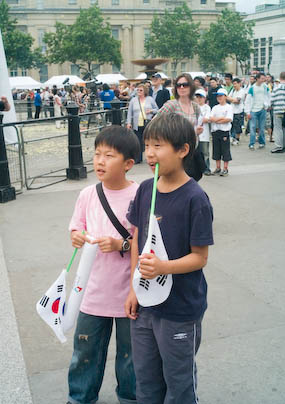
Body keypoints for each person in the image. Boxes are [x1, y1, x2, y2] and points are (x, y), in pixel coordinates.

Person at [125, 112, 213, 404]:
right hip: (146, 304)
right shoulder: (146, 188)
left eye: (158, 146)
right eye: (147, 145)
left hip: (179, 309)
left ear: (183, 150)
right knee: (146, 378)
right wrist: (133, 288)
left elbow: (200, 258)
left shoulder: (195, 199)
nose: (149, 153)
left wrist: (164, 267)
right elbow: (138, 236)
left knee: (179, 382)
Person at [67, 126, 139, 404]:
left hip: (128, 294)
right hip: (91, 291)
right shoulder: (88, 194)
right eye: (97, 154)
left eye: (109, 155)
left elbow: (148, 245)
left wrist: (120, 244)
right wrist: (78, 237)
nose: (100, 161)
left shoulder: (140, 195)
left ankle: (131, 398)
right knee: (85, 352)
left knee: (130, 356)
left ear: (128, 164)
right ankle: (80, 398)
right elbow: (76, 230)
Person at [126, 83, 158, 164]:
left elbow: (157, 109)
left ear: (145, 91)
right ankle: (138, 158)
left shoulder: (150, 99)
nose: (139, 92)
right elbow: (130, 112)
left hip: (147, 123)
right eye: (138, 90)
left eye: (141, 90)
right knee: (138, 141)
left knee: (148, 141)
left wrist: (151, 111)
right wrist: (129, 123)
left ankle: (151, 156)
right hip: (137, 124)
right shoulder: (133, 100)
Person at [206, 88, 233, 176]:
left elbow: (228, 119)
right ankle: (218, 167)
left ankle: (225, 168)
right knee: (216, 150)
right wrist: (221, 118)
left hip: (224, 131)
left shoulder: (229, 107)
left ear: (225, 96)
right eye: (218, 96)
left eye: (221, 96)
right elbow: (211, 118)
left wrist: (217, 120)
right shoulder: (215, 107)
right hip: (215, 131)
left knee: (225, 150)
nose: (219, 97)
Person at [244, 73, 271, 150]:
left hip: (262, 109)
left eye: (264, 78)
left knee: (261, 127)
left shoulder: (265, 87)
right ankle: (251, 144)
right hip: (253, 110)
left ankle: (262, 143)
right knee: (252, 127)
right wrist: (247, 112)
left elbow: (269, 96)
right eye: (262, 78)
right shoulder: (252, 88)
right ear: (257, 79)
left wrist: (267, 105)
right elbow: (248, 100)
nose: (263, 80)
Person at [270, 71, 285, 153]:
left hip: (277, 111)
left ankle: (279, 146)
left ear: (280, 77)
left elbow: (272, 100)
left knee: (278, 128)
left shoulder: (276, 89)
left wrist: (270, 106)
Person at [195, 88, 212, 175]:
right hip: (195, 133)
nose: (198, 99)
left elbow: (207, 119)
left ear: (204, 98)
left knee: (205, 152)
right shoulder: (193, 107)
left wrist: (201, 120)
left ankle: (207, 168)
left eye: (200, 97)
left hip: (204, 133)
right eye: (197, 97)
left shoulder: (207, 107)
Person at [227, 78, 245, 145]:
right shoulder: (233, 90)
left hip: (239, 111)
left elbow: (237, 101)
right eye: (233, 84)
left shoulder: (242, 91)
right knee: (232, 125)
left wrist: (232, 99)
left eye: (235, 84)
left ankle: (237, 139)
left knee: (238, 126)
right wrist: (233, 99)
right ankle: (232, 137)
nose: (234, 85)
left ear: (239, 84)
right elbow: (227, 97)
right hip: (232, 111)